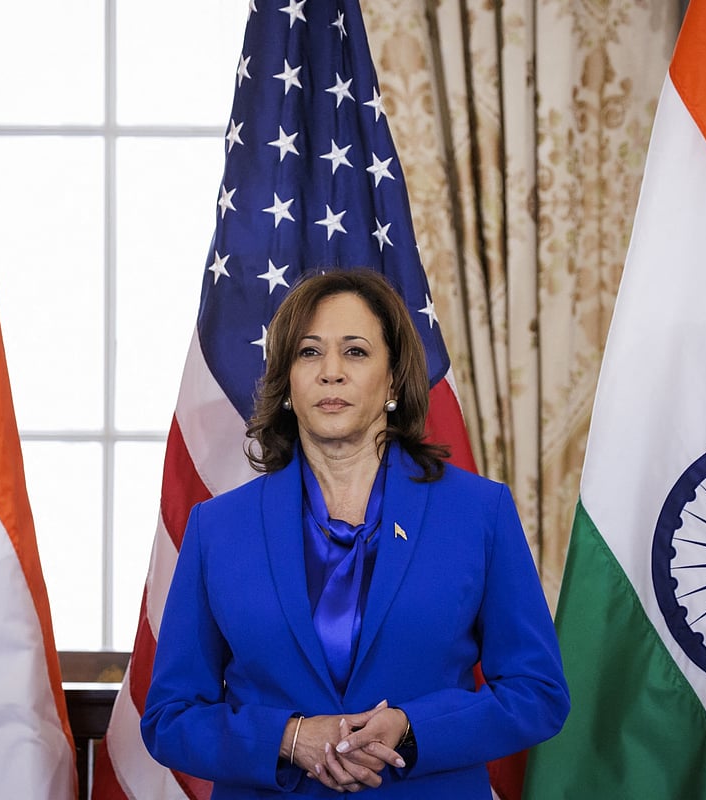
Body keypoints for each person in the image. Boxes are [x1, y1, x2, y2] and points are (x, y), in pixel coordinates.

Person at [141, 269, 569, 797]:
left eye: (356, 352)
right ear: (287, 383)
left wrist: (413, 729)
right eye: (309, 353)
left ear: (393, 381)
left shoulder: (479, 512)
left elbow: (537, 693)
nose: (331, 373)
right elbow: (170, 717)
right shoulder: (218, 528)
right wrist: (286, 738)